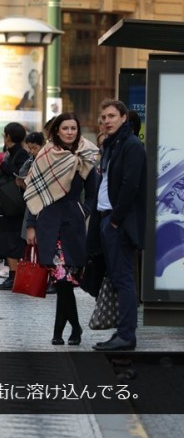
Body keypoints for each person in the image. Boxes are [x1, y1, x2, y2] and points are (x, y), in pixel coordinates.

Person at [23, 113, 99, 346]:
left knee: (64, 280)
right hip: (48, 223)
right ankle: (73, 328)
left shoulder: (85, 155)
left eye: (73, 128)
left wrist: (83, 210)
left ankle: (62, 331)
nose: (69, 132)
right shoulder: (45, 155)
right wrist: (31, 225)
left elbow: (93, 193)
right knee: (61, 279)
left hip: (72, 225)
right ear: (56, 131)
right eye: (65, 128)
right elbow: (33, 193)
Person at [89, 99, 147, 351]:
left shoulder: (132, 145)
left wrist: (114, 220)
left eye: (112, 116)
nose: (107, 121)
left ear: (124, 118)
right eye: (103, 117)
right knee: (116, 277)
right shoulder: (113, 146)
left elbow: (130, 186)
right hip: (106, 219)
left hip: (118, 222)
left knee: (123, 279)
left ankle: (126, 335)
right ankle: (121, 333)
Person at [0, 122, 31, 290]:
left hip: (16, 205)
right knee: (9, 240)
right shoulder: (12, 153)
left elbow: (19, 174)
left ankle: (14, 277)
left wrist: (5, 166)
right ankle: (12, 276)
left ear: (8, 136)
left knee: (12, 241)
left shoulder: (20, 154)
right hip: (9, 205)